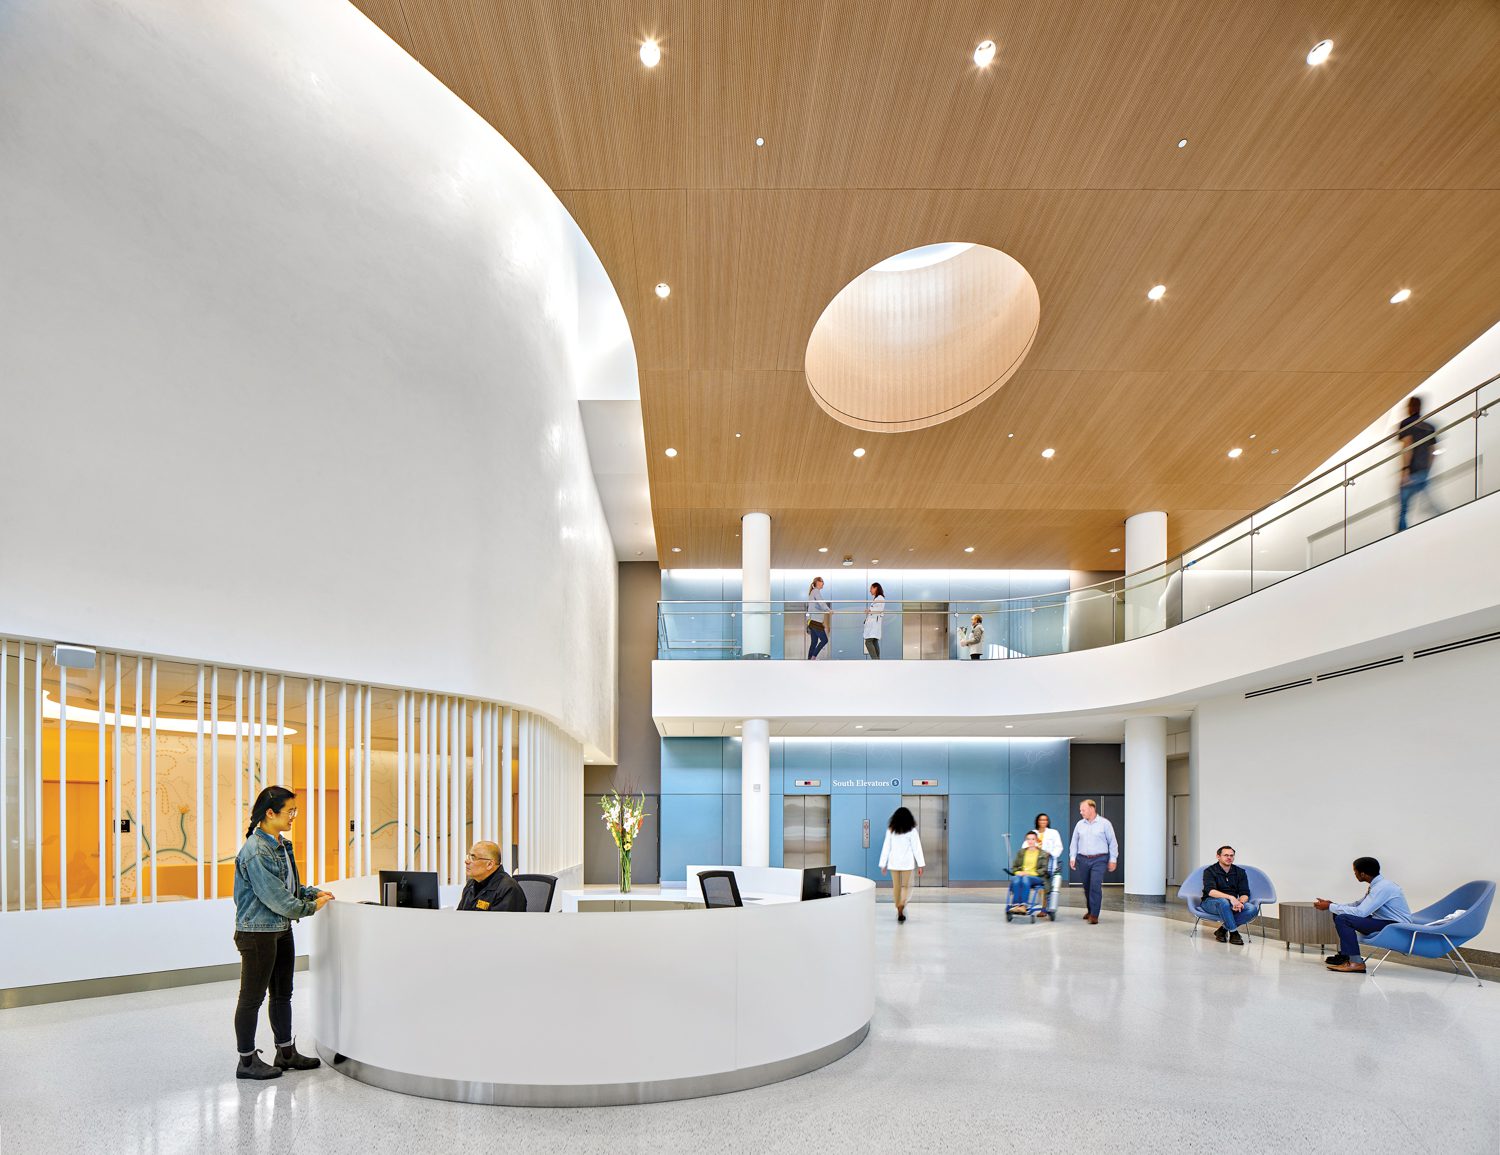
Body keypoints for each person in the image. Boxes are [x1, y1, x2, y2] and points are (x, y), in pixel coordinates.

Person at [232, 785, 332, 1080]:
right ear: (270, 813)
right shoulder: (256, 850)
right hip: (257, 933)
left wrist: (311, 892)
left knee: (282, 995)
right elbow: (277, 899)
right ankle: (247, 1061)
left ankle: (285, 1052)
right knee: (252, 998)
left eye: (294, 811)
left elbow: (288, 887)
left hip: (279, 929)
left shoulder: (280, 844)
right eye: (290, 811)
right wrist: (312, 907)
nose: (293, 817)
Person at [1315, 856, 1413, 974]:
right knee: (1338, 914)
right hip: (1384, 921)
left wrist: (1330, 907)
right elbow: (1358, 904)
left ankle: (1356, 963)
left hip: (1395, 927)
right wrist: (1333, 905)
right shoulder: (1378, 885)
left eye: (1355, 872)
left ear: (1362, 874)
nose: (1354, 874)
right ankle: (1346, 956)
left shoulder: (1383, 888)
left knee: (1343, 918)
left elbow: (1361, 912)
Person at [1068, 798, 1118, 924]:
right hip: (1083, 859)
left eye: (1083, 810)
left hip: (1099, 859)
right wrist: (1072, 857)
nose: (1081, 812)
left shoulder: (1105, 824)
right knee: (1087, 887)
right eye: (1080, 810)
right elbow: (1074, 842)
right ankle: (1090, 910)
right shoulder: (1080, 824)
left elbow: (1112, 842)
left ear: (1091, 808)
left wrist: (1113, 859)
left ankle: (1094, 915)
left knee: (1095, 885)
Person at [1201, 844, 1258, 945]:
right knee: (1223, 902)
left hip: (1232, 903)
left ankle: (1222, 930)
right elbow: (1210, 891)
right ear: (1218, 856)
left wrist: (1239, 902)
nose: (1229, 858)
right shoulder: (1210, 871)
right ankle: (1234, 933)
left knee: (1252, 908)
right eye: (1226, 855)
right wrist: (1231, 897)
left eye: (1231, 855)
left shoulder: (1240, 872)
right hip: (1210, 902)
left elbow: (1245, 893)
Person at [1397, 395, 1438, 531]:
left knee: (1403, 510)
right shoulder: (1429, 426)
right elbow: (1433, 452)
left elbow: (1407, 446)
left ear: (1409, 407)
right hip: (1424, 471)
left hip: (1411, 471)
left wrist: (1405, 470)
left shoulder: (1406, 423)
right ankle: (1442, 521)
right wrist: (1427, 470)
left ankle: (1401, 537)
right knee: (1428, 503)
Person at [878, 806, 925, 924]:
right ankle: (901, 905)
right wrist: (920, 865)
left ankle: (897, 906)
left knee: (896, 886)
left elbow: (886, 847)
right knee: (905, 886)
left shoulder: (891, 830)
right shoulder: (912, 831)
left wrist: (883, 864)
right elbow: (917, 848)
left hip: (894, 863)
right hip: (907, 864)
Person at [457, 840, 528, 911]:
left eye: (473, 858)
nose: (466, 861)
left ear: (489, 864)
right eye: (468, 857)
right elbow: (459, 916)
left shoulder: (508, 889)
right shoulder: (471, 884)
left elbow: (501, 921)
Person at [1008, 830, 1052, 913]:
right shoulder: (1021, 852)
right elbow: (1014, 867)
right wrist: (1019, 873)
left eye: (1033, 839)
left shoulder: (1043, 853)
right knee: (1016, 879)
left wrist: (1027, 873)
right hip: (1021, 876)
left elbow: (1043, 870)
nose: (1030, 841)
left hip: (1037, 877)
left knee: (1025, 879)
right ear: (1026, 840)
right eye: (1028, 839)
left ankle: (1024, 906)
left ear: (1036, 840)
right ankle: (1016, 905)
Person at [1034, 812, 1064, 919]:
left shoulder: (1053, 833)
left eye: (1045, 820)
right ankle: (1042, 907)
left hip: (1049, 864)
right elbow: (1026, 846)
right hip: (1035, 864)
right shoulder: (1033, 833)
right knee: (1040, 888)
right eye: (1041, 820)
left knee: (1047, 886)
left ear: (1048, 822)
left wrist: (1050, 853)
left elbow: (1059, 847)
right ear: (1037, 821)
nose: (1043, 822)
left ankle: (1045, 908)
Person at [806, 576, 831, 660]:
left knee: (814, 642)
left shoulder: (812, 592)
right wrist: (828, 610)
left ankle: (809, 658)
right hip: (815, 621)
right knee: (824, 640)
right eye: (822, 581)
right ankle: (813, 657)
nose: (823, 583)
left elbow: (814, 606)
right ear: (818, 582)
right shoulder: (816, 591)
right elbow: (821, 603)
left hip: (811, 621)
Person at [863, 582, 885, 659]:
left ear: (876, 588)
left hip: (874, 624)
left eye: (871, 588)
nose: (870, 590)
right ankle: (877, 660)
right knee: (874, 641)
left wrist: (870, 610)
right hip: (874, 623)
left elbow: (879, 609)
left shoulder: (880, 598)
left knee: (868, 642)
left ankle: (875, 660)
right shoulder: (877, 598)